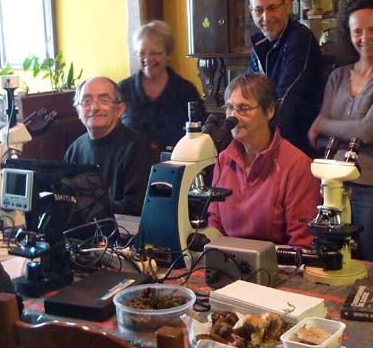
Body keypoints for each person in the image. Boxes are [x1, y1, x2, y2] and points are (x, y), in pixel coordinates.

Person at [308, 0, 373, 264]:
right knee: (334, 265)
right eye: (357, 31)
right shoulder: (337, 76)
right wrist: (365, 136)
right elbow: (316, 137)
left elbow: (365, 130)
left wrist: (329, 126)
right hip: (332, 185)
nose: (365, 38)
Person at [208, 73, 320, 248]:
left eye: (244, 108)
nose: (233, 117)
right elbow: (214, 225)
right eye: (230, 107)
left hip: (277, 262)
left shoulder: (297, 165)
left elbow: (302, 242)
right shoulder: (223, 160)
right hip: (227, 259)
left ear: (269, 111)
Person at [247, 0, 323, 156]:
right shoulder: (260, 41)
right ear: (251, 12)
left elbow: (285, 97)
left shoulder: (300, 38)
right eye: (259, 10)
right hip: (271, 137)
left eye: (272, 8)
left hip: (300, 143)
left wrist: (259, 141)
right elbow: (248, 91)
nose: (266, 17)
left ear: (287, 6)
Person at [64, 76, 157, 216]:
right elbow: (65, 198)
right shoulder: (74, 150)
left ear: (120, 110)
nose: (95, 107)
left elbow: (136, 206)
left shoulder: (139, 149)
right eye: (87, 101)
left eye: (104, 100)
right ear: (78, 111)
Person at [119, 20, 206, 154]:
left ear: (168, 53)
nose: (148, 58)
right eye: (142, 53)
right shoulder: (123, 90)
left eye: (155, 53)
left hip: (178, 164)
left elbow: (201, 136)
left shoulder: (186, 90)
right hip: (131, 165)